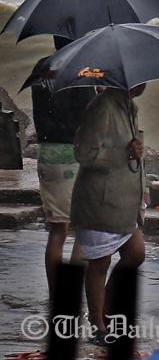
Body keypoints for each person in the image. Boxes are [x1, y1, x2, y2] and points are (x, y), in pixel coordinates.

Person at [71, 84, 147, 343]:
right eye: (141, 78)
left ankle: (104, 308)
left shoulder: (128, 107)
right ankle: (98, 323)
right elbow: (83, 152)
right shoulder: (101, 106)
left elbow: (130, 151)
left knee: (135, 253)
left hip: (124, 198)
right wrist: (122, 153)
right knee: (99, 262)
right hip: (100, 198)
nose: (146, 84)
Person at [29, 42, 98, 306]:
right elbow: (89, 117)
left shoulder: (42, 67)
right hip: (74, 156)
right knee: (84, 230)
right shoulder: (83, 72)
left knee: (56, 232)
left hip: (47, 155)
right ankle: (73, 293)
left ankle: (56, 293)